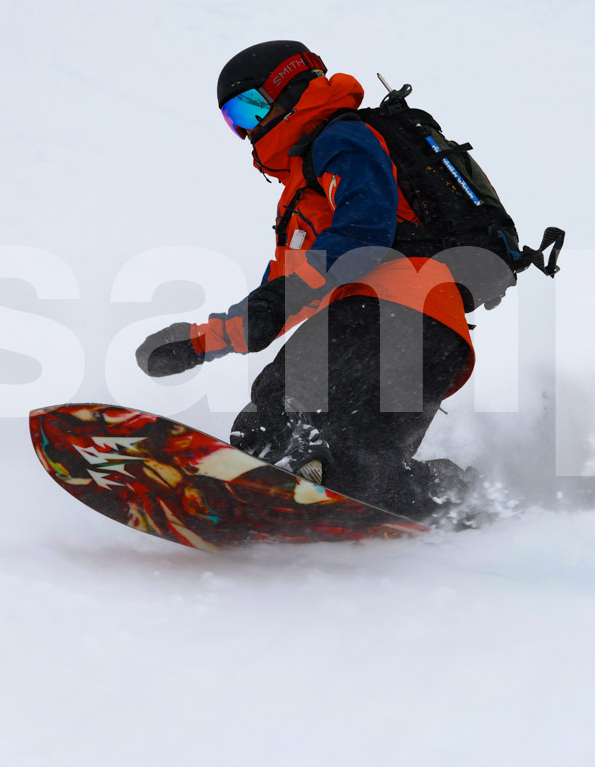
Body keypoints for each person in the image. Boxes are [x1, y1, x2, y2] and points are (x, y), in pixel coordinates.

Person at [135, 40, 474, 520]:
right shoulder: (300, 195)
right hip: (438, 338)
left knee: (279, 404)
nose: (247, 129)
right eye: (234, 121)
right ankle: (459, 504)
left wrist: (277, 300)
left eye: (249, 108)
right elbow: (281, 295)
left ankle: (268, 475)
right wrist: (198, 342)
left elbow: (363, 232)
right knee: (361, 471)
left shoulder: (339, 137)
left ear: (288, 88)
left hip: (387, 311)